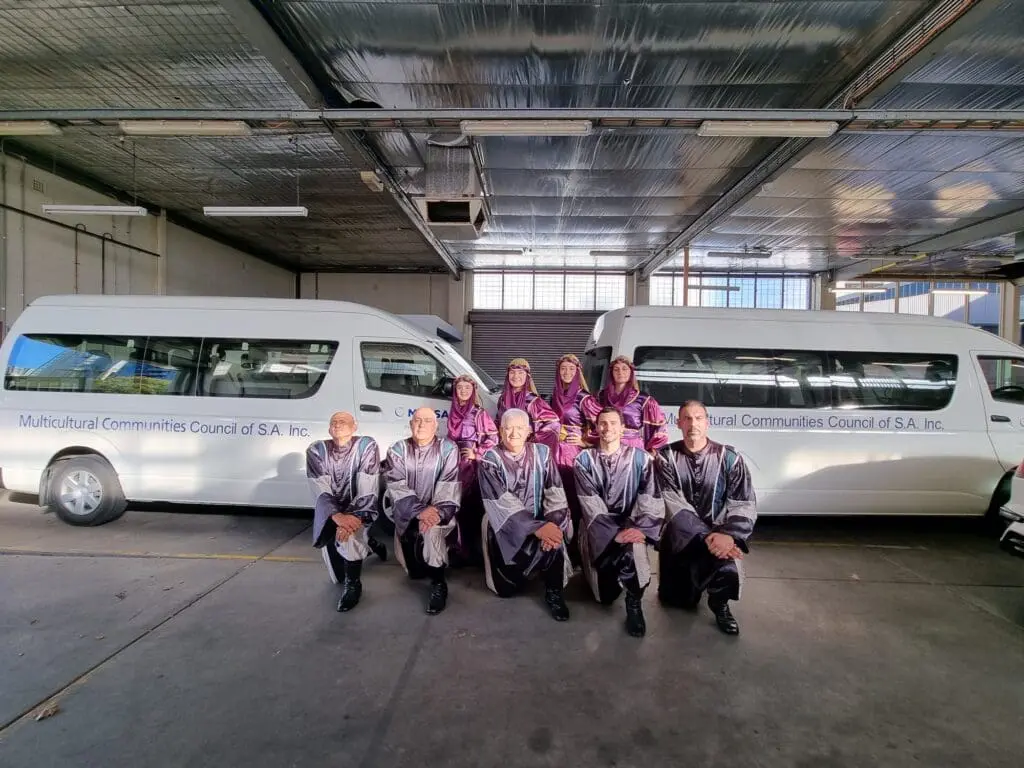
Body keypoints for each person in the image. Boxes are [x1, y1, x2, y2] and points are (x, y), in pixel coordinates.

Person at [656, 400, 757, 635]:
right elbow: (672, 502)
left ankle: (720, 604)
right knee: (679, 602)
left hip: (721, 534)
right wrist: (709, 537)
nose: (693, 423)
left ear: (707, 422)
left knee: (728, 570)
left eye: (698, 418)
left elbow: (743, 502)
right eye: (687, 418)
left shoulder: (730, 458)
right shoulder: (665, 457)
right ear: (679, 423)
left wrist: (730, 535)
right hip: (682, 536)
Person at [574, 407, 665, 637]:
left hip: (631, 524)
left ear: (623, 428)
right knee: (604, 597)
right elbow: (589, 502)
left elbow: (650, 497)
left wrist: (638, 529)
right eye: (602, 423)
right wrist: (614, 533)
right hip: (598, 529)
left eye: (613, 423)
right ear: (596, 427)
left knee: (634, 555)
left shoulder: (641, 459)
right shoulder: (583, 460)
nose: (608, 428)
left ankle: (634, 605)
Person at [478, 408, 573, 621]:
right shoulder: (490, 459)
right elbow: (499, 502)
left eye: (519, 428)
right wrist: (536, 527)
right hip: (504, 525)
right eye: (508, 428)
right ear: (500, 431)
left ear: (529, 430)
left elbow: (555, 491)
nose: (513, 433)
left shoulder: (543, 453)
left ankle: (554, 591)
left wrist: (553, 525)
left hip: (542, 521)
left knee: (556, 536)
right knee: (506, 591)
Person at [305, 411, 386, 613]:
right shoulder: (317, 451)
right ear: (329, 428)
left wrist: (353, 518)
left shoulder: (366, 446)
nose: (338, 425)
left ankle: (354, 585)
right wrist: (338, 517)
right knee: (336, 577)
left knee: (350, 543)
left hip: (359, 511)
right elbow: (320, 488)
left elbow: (368, 486)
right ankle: (371, 544)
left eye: (343, 421)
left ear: (354, 426)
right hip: (331, 514)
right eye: (334, 422)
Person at [383, 407, 461, 615]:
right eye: (417, 420)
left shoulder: (448, 449)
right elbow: (396, 484)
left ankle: (438, 584)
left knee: (432, 530)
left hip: (438, 513)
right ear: (410, 425)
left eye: (428, 421)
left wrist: (433, 512)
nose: (422, 425)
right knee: (415, 574)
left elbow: (449, 484)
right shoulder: (397, 450)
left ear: (436, 425)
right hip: (409, 515)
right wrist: (420, 511)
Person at [548, 353, 602, 566]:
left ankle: (576, 549)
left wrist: (585, 439)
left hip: (572, 454)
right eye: (563, 369)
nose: (567, 373)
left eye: (571, 369)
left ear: (578, 372)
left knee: (573, 499)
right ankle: (557, 544)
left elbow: (605, 422)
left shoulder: (583, 398)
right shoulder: (555, 394)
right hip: (554, 451)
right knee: (555, 497)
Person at [446, 374, 499, 564]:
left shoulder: (478, 413)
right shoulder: (452, 412)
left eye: (467, 389)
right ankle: (459, 549)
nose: (463, 392)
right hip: (455, 465)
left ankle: (473, 552)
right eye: (460, 388)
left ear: (473, 391)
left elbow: (494, 439)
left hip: (472, 467)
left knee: (471, 507)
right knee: (455, 506)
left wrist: (477, 452)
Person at [598, 355, 669, 455]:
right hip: (607, 444)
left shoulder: (643, 399)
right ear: (611, 373)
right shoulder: (601, 396)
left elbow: (659, 425)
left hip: (632, 445)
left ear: (631, 372)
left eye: (624, 369)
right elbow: (592, 422)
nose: (620, 373)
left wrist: (652, 449)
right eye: (616, 369)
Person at [496, 358, 560, 451]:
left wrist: (533, 435)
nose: (516, 376)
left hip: (525, 450)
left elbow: (554, 423)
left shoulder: (533, 401)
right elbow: (498, 421)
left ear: (527, 376)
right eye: (512, 372)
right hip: (505, 448)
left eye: (520, 372)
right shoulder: (502, 399)